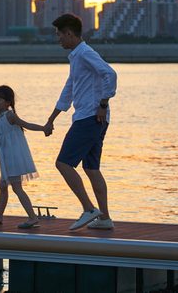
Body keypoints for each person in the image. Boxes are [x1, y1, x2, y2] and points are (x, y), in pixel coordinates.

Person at [45, 13, 117, 230]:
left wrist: (102, 104)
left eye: (59, 34)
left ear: (69, 33)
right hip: (93, 119)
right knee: (92, 168)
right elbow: (69, 90)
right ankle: (104, 218)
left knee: (63, 163)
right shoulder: (76, 57)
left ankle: (88, 209)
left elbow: (110, 74)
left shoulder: (85, 53)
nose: (57, 39)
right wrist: (51, 119)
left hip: (89, 118)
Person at [0, 85, 45, 229]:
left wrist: (43, 128)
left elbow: (26, 125)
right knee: (3, 185)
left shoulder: (9, 115)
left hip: (13, 158)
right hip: (6, 158)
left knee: (16, 188)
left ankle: (32, 217)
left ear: (7, 102)